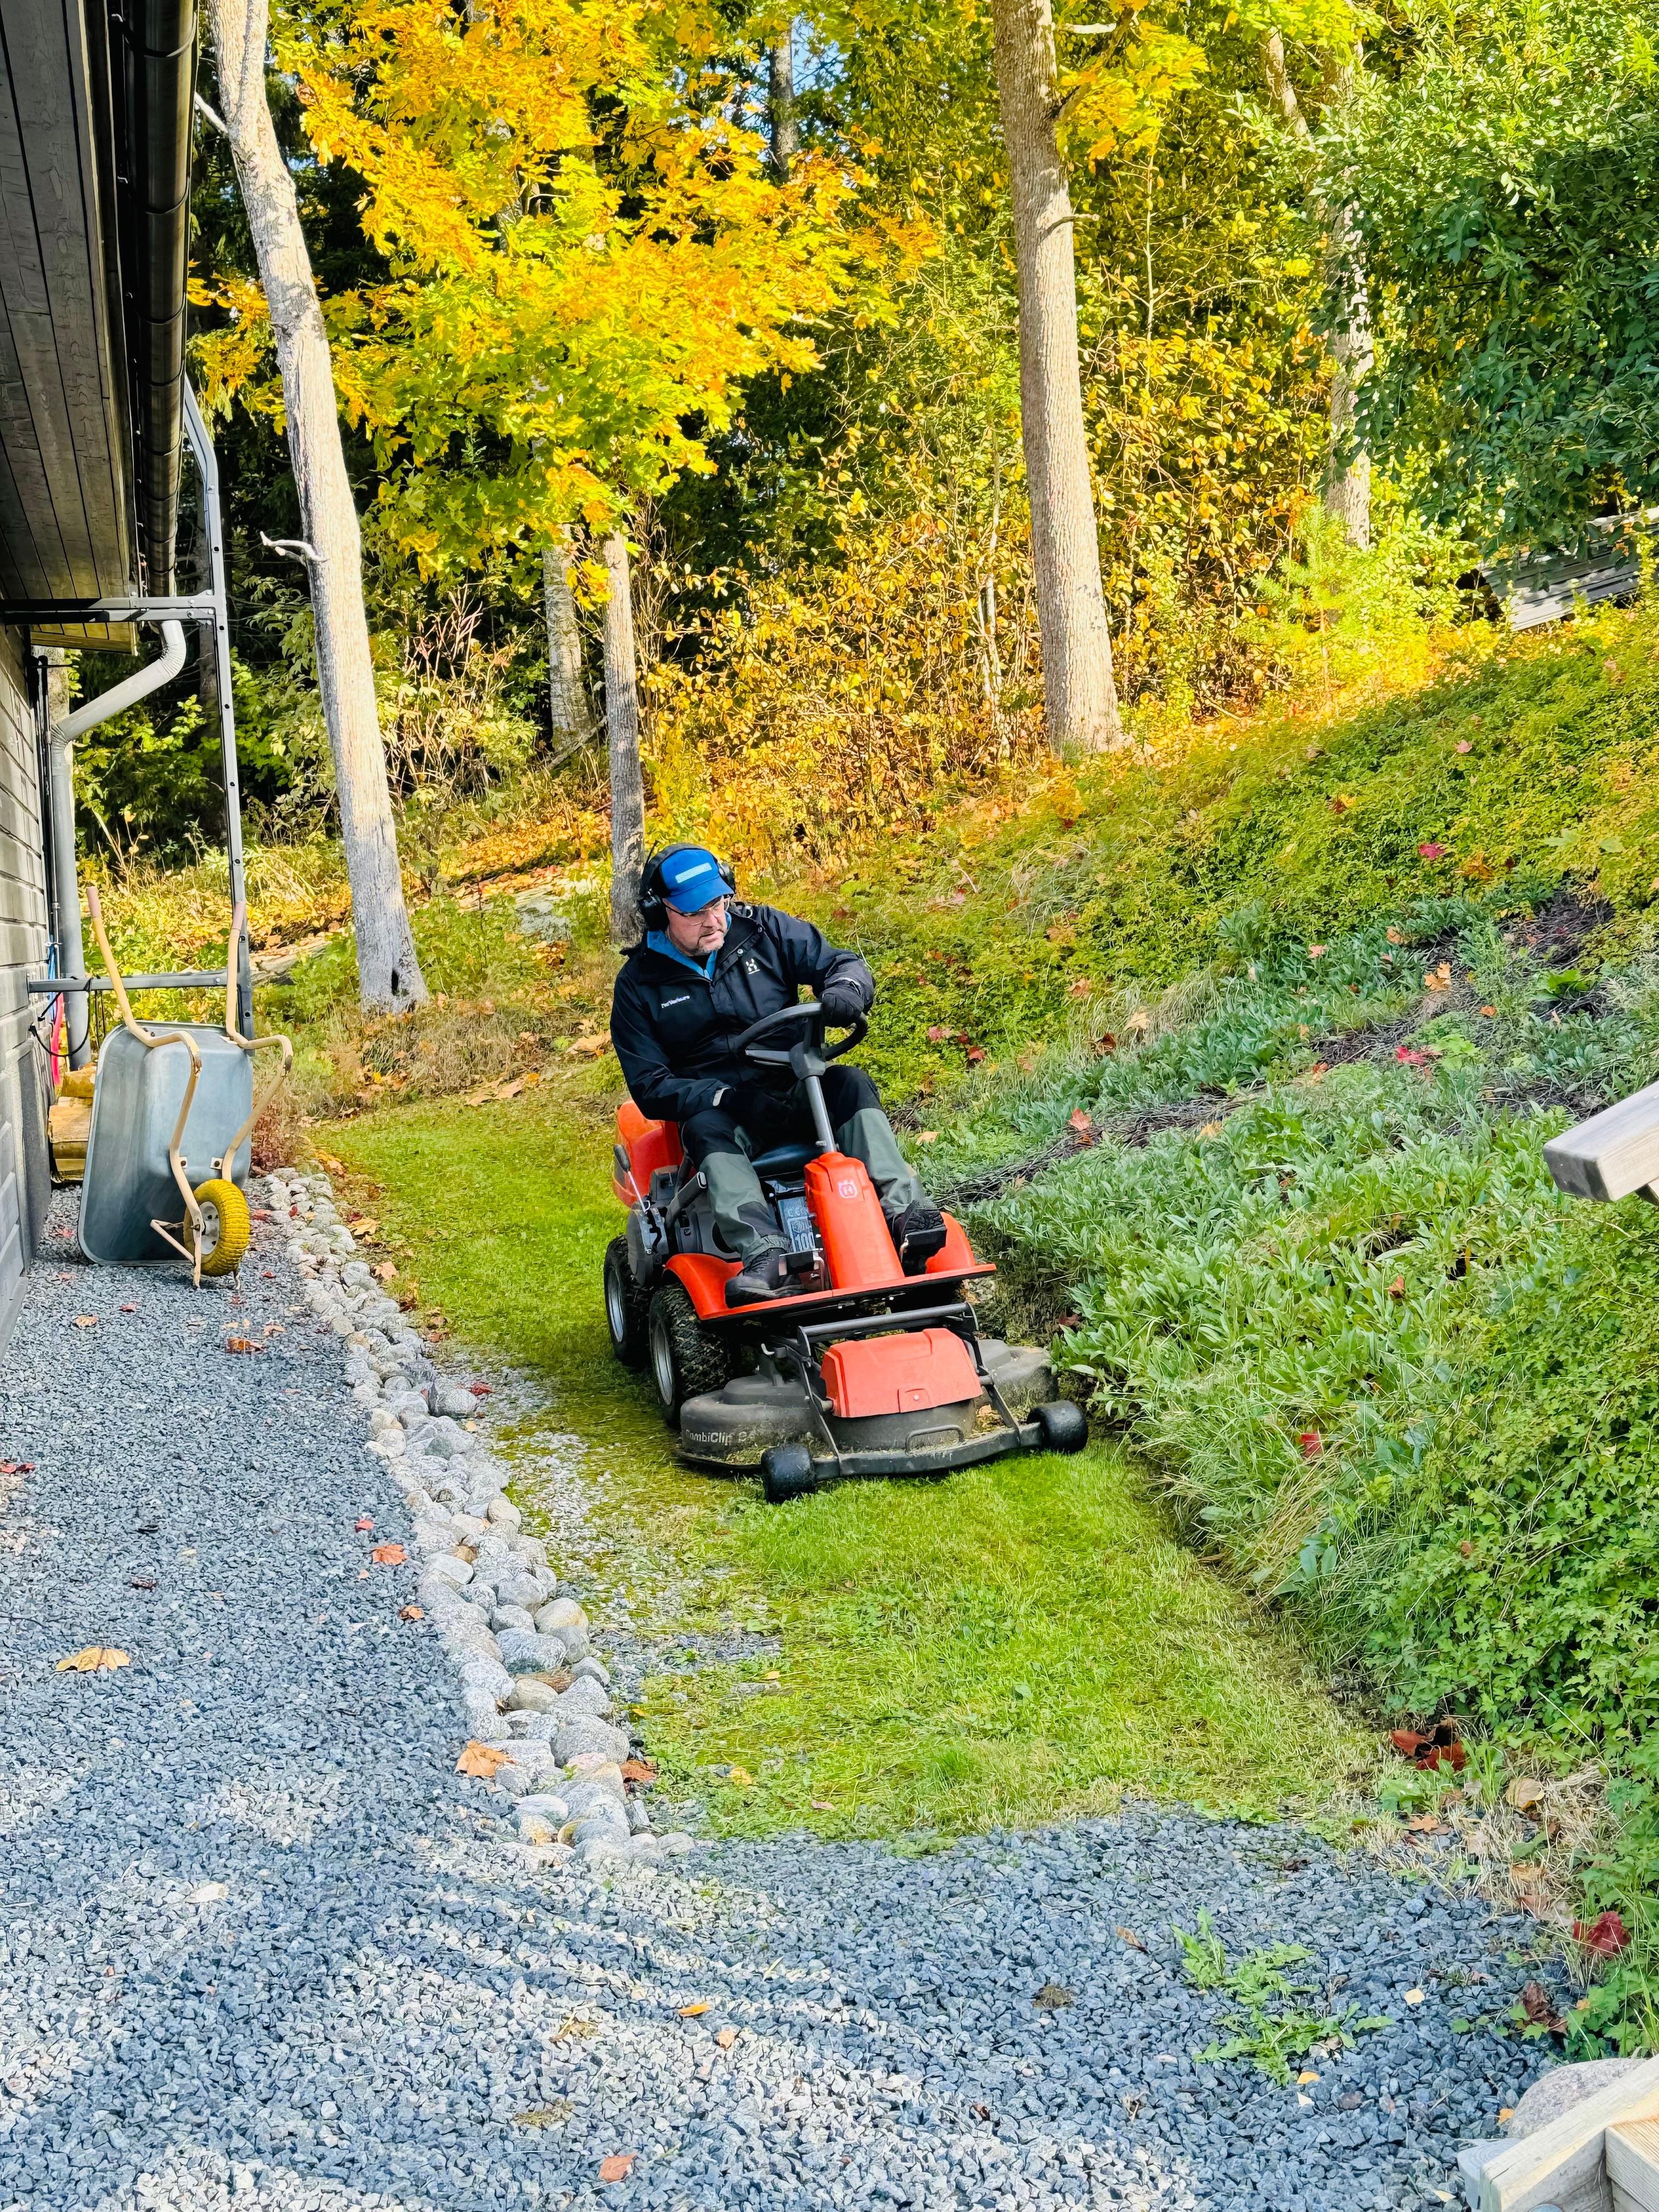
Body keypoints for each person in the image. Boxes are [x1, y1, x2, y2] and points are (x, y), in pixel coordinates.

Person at [609, 844, 947, 1305]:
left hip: (792, 1087)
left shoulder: (763, 930)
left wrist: (846, 989)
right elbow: (651, 1086)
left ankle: (906, 1214)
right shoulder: (638, 986)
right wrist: (725, 1099)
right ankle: (765, 1252)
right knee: (707, 1128)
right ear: (659, 911)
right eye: (695, 912)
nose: (714, 920)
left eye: (718, 903)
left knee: (849, 1084)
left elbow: (842, 963)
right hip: (723, 1112)